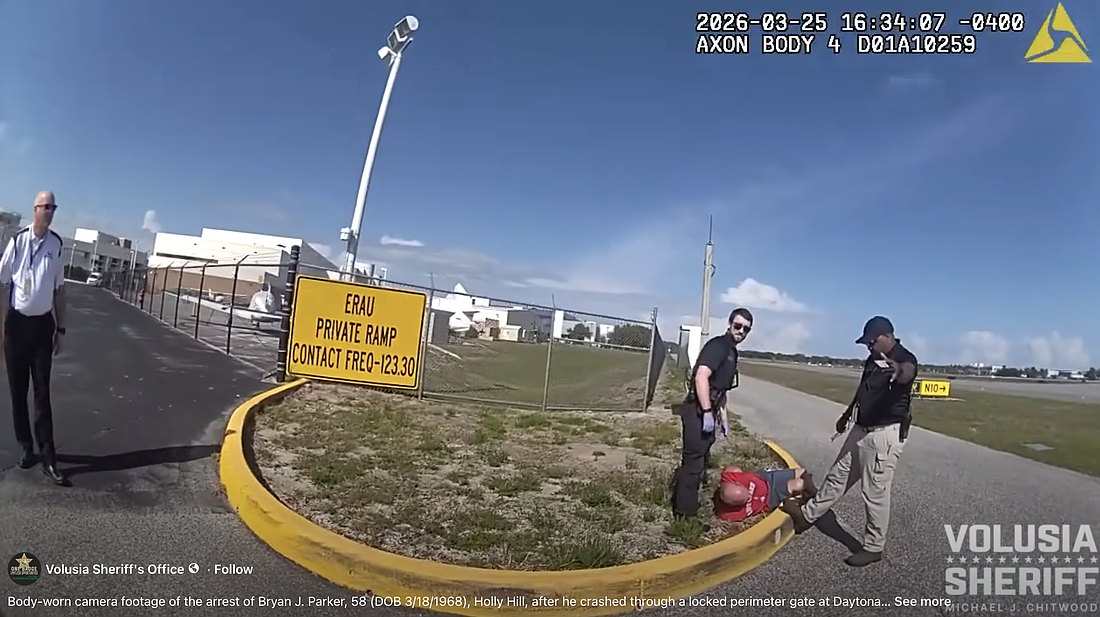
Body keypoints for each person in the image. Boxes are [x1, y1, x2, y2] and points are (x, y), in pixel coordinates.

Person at [781, 315, 917, 567]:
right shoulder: (872, 359)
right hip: (860, 428)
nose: (869, 346)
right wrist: (847, 415)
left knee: (874, 492)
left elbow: (906, 373)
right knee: (837, 476)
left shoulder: (904, 358)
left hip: (883, 435)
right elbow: (863, 391)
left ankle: (874, 547)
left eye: (872, 342)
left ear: (886, 337)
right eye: (866, 343)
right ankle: (807, 516)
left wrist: (897, 370)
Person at [0, 191, 68, 485]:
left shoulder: (56, 245)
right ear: (35, 209)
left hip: (42, 327)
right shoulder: (17, 242)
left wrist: (61, 329)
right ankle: (27, 448)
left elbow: (59, 291)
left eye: (53, 207)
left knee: (42, 393)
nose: (50, 211)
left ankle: (49, 458)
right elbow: (2, 284)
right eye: (45, 207)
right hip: (16, 326)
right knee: (18, 392)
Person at [671, 308, 752, 518]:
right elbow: (701, 377)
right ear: (729, 324)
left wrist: (723, 418)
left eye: (746, 329)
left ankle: (689, 503)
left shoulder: (732, 351)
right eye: (738, 326)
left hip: (710, 409)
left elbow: (721, 389)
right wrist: (707, 411)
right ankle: (683, 515)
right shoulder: (718, 346)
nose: (741, 331)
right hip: (697, 410)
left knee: (700, 459)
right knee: (693, 465)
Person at [713, 465, 817, 522]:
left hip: (765, 479)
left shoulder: (729, 477)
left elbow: (731, 469)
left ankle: (806, 493)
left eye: (746, 491)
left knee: (801, 472)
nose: (750, 496)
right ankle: (816, 496)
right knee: (799, 484)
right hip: (770, 498)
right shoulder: (728, 514)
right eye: (746, 500)